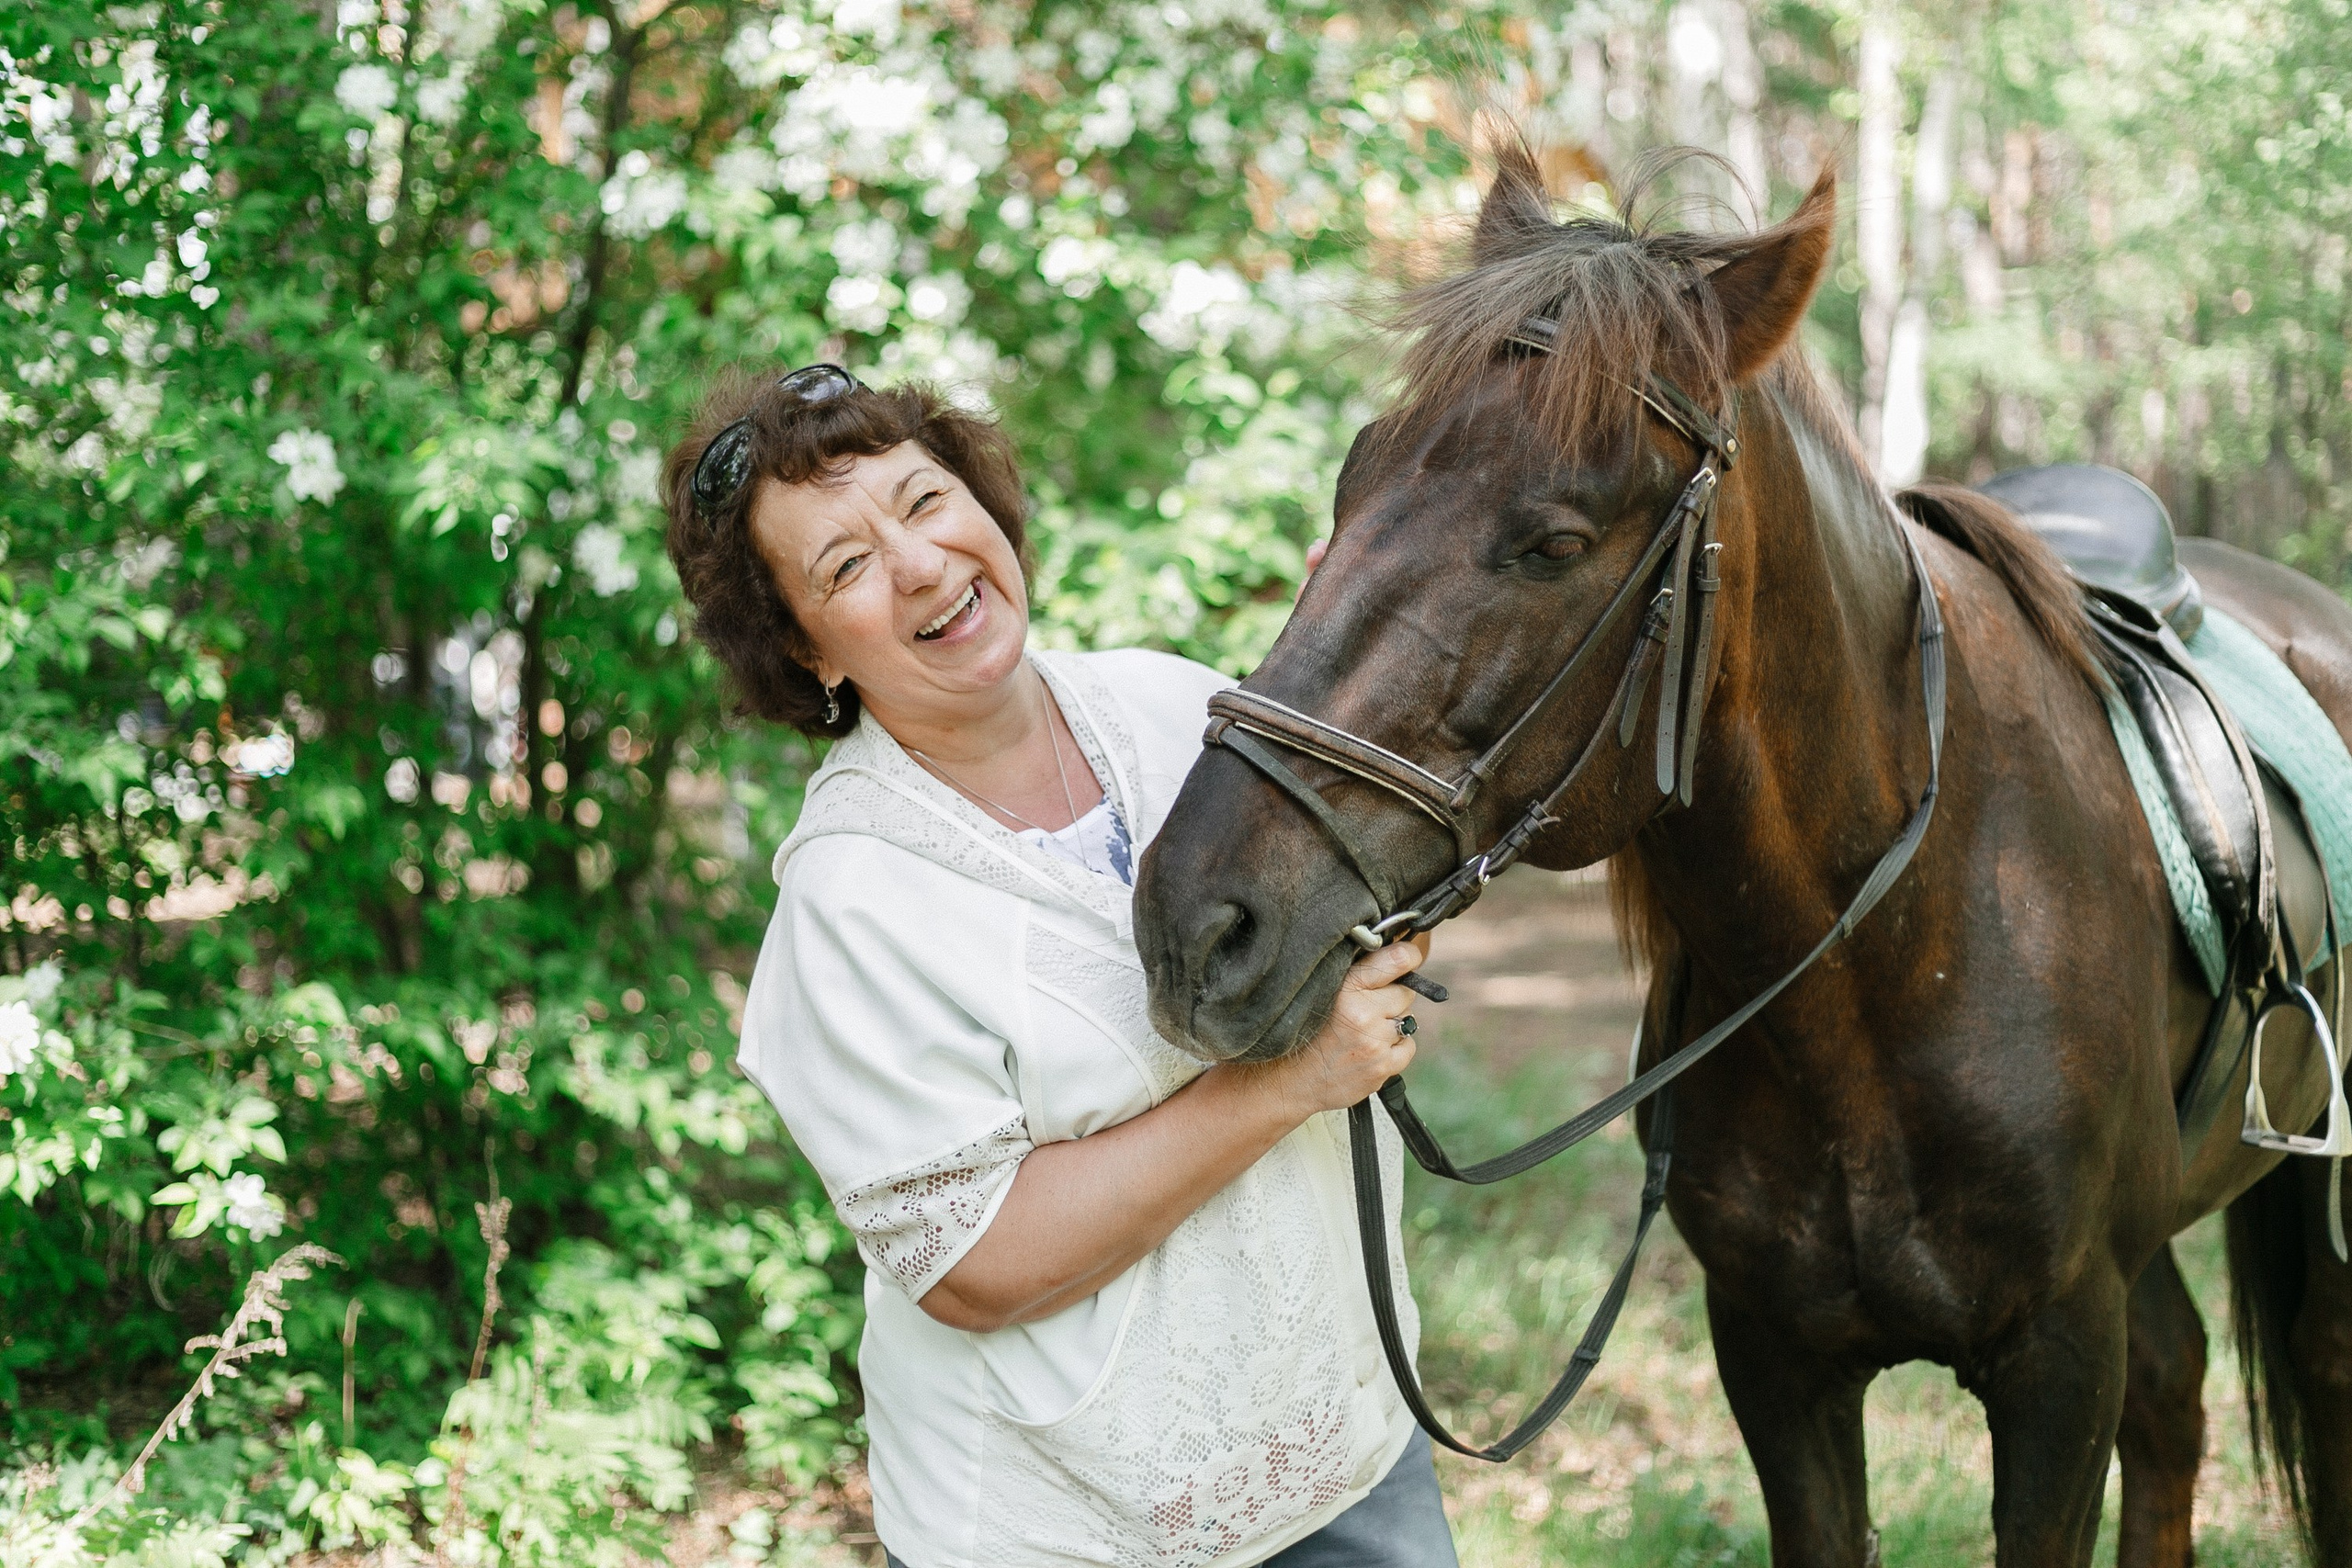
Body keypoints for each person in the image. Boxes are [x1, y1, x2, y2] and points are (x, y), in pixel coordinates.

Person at [662, 365, 1459, 1568]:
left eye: (924, 500)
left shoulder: (1180, 707)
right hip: (1075, 1535)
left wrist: (1366, 662)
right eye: (846, 566)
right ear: (804, 653)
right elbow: (976, 1267)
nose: (923, 563)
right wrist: (1290, 1083)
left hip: (1350, 1462)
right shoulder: (848, 905)